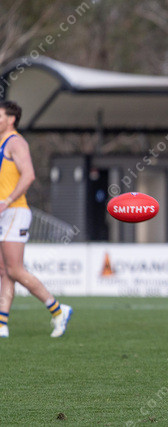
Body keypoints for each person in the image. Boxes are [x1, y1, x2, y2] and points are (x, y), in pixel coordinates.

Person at [0, 101, 72, 338]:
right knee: (5, 271)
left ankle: (58, 310)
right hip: (6, 213)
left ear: (11, 119)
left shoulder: (16, 142)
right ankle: (2, 324)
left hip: (14, 211)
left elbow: (29, 175)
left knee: (15, 269)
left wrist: (7, 201)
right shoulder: (2, 143)